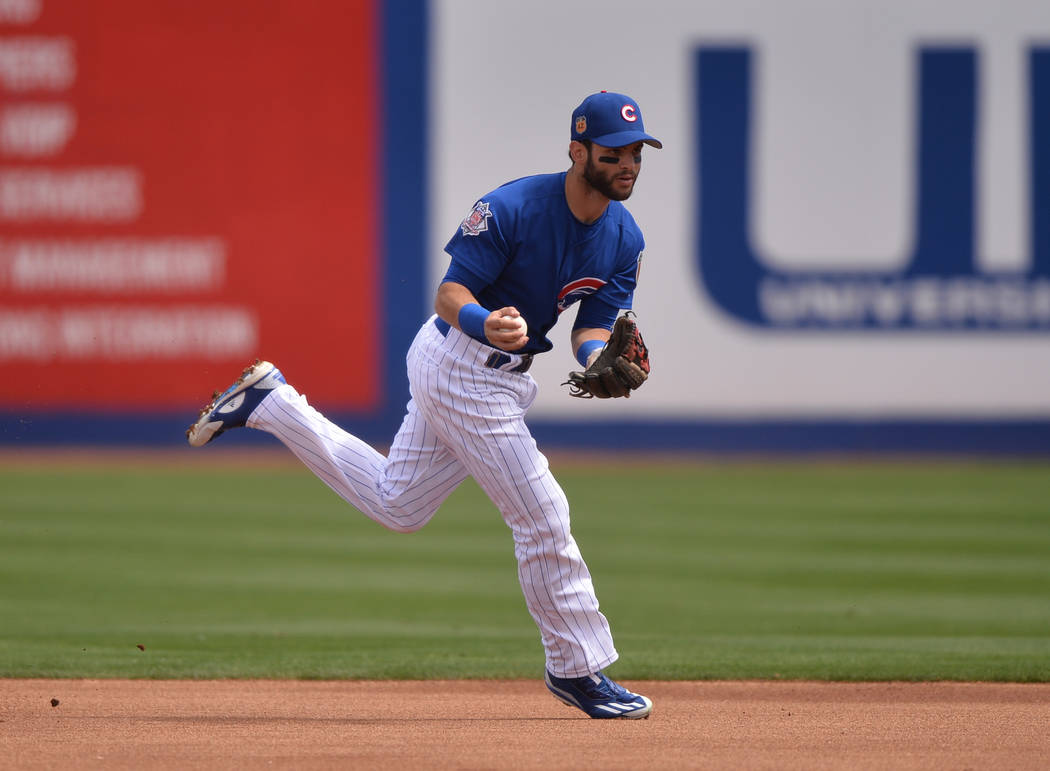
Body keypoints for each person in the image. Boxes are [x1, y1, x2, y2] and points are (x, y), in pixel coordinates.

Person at [187, 91, 661, 720]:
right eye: (612, 152)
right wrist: (486, 321)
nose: (627, 163)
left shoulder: (625, 237)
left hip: (497, 379)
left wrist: (598, 358)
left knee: (400, 503)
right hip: (460, 364)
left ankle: (272, 403)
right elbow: (449, 294)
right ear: (578, 152)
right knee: (543, 514)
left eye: (636, 153)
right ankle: (576, 669)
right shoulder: (513, 207)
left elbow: (592, 329)